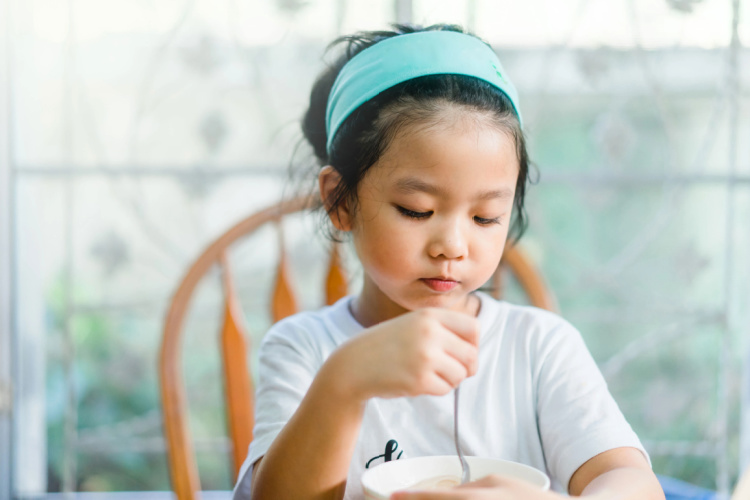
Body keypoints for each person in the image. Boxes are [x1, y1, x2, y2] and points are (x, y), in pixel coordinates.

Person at [233, 23, 665, 500]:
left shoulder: (540, 348)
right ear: (341, 202)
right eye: (417, 210)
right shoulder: (304, 349)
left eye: (485, 217)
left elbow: (631, 482)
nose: (452, 247)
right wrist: (344, 381)